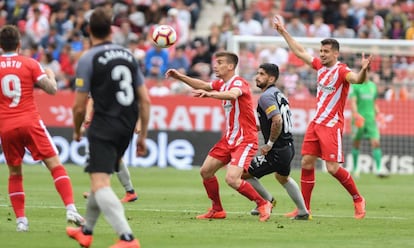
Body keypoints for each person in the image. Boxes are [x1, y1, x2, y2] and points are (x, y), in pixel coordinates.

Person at [67, 7, 150, 248]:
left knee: (100, 183)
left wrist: (75, 130)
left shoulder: (88, 58)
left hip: (104, 126)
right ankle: (86, 231)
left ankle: (127, 238)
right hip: (126, 125)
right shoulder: (128, 56)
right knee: (99, 177)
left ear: (90, 30)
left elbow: (79, 107)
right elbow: (145, 100)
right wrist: (143, 135)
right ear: (112, 30)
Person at [273, 16, 370, 219]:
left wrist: (364, 70)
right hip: (316, 123)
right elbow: (300, 52)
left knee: (333, 168)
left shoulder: (343, 71)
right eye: (321, 51)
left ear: (336, 53)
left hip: (331, 126)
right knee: (307, 162)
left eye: (326, 52)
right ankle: (304, 210)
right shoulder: (319, 67)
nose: (322, 55)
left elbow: (358, 80)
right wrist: (283, 31)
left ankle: (358, 198)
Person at [165, 51, 273, 222]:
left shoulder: (238, 82)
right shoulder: (222, 84)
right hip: (229, 139)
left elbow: (232, 94)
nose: (215, 65)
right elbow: (203, 84)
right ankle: (217, 210)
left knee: (232, 179)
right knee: (206, 172)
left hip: (244, 139)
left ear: (230, 66)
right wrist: (180, 77)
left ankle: (263, 203)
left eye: (220, 62)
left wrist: (210, 95)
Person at [0, 25, 84, 232]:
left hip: (6, 125)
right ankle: (71, 209)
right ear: (19, 44)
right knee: (55, 165)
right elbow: (52, 89)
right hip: (30, 121)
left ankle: (21, 221)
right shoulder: (30, 63)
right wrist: (50, 74)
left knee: (14, 173)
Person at [242, 63, 310, 220]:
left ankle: (267, 202)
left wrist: (269, 144)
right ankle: (303, 211)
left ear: (271, 78)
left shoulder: (266, 97)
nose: (257, 77)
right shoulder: (278, 94)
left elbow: (277, 120)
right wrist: (261, 127)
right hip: (288, 147)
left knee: (242, 172)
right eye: (257, 73)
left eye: (261, 74)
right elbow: (277, 120)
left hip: (277, 150)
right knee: (282, 177)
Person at [82, 98, 139, 203]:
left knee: (95, 154)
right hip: (109, 122)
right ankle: (130, 192)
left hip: (113, 123)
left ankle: (98, 190)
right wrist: (88, 115)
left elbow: (138, 100)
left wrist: (138, 122)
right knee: (115, 157)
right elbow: (92, 99)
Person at [349, 76, 388, 178]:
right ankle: (356, 168)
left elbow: (374, 103)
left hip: (371, 120)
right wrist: (356, 114)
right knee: (356, 143)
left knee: (376, 142)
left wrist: (378, 113)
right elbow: (353, 102)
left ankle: (379, 169)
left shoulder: (372, 86)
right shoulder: (356, 86)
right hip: (359, 119)